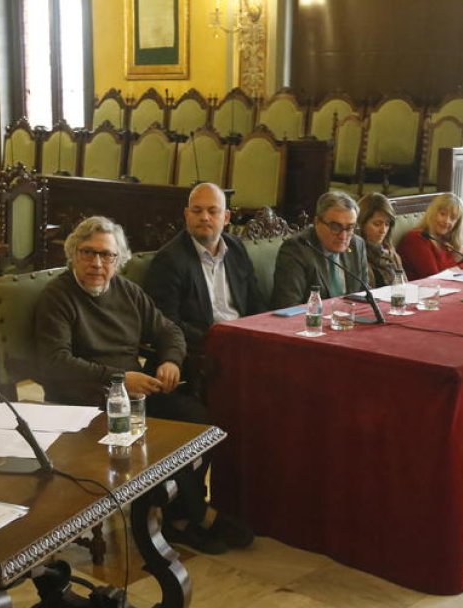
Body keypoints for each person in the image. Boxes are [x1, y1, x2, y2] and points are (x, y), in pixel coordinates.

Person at [34, 216, 251, 553]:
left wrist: (170, 361)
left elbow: (169, 331)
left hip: (133, 394)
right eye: (88, 253)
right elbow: (56, 362)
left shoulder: (127, 291)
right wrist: (119, 378)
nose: (96, 263)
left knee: (198, 422)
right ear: (73, 254)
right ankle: (193, 516)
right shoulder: (58, 296)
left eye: (106, 255)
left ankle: (180, 514)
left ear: (119, 260)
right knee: (158, 438)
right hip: (85, 400)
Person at [143, 183, 265, 382]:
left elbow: (255, 302)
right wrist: (220, 338)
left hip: (242, 344)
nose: (204, 217)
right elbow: (167, 323)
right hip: (202, 352)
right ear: (187, 215)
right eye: (197, 210)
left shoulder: (236, 249)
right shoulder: (170, 260)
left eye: (212, 211)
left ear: (226, 217)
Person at [271, 190, 369, 308]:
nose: (343, 236)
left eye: (350, 228)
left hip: (349, 316)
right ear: (317, 222)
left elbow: (364, 296)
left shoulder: (357, 245)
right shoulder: (296, 250)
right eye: (335, 227)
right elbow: (288, 306)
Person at [396, 192, 463, 280]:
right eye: (442, 214)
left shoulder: (448, 239)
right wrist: (459, 268)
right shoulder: (416, 239)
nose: (447, 221)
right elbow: (433, 276)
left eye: (452, 218)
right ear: (432, 213)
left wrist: (457, 269)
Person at [357, 192, 403, 287]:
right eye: (377, 224)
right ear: (362, 224)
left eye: (387, 224)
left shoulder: (390, 253)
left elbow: (404, 287)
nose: (383, 230)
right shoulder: (356, 256)